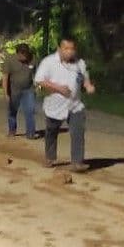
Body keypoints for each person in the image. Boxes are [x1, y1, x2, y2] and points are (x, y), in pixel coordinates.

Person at [34, 36, 96, 172]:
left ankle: (77, 162)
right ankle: (50, 158)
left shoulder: (80, 63)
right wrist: (58, 88)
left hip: (75, 105)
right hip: (54, 105)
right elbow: (39, 80)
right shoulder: (49, 62)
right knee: (51, 132)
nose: (69, 52)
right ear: (59, 49)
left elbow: (84, 78)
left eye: (72, 49)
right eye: (66, 48)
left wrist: (88, 86)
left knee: (78, 132)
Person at [2, 43, 38, 139]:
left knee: (30, 111)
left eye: (26, 54)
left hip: (28, 89)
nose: (25, 57)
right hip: (14, 90)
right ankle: (12, 130)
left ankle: (30, 133)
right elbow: (5, 77)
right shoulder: (10, 60)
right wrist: (6, 93)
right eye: (22, 55)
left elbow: (36, 73)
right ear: (17, 54)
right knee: (12, 111)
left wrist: (38, 85)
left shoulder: (33, 59)